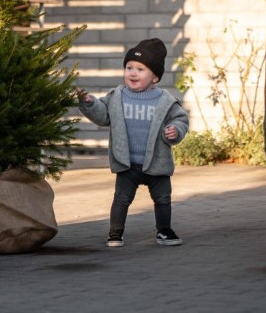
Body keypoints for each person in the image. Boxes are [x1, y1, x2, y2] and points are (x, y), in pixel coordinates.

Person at [76, 37, 189, 247]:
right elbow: (103, 115)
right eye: (129, 67)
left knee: (163, 198)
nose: (133, 73)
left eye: (140, 69)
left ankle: (164, 231)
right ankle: (115, 232)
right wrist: (90, 103)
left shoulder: (165, 100)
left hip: (156, 161)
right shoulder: (117, 96)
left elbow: (180, 118)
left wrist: (176, 130)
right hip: (127, 163)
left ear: (155, 77)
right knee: (121, 199)